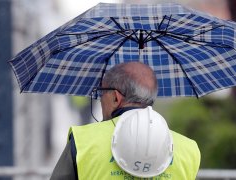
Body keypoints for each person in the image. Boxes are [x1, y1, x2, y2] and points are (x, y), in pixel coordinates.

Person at [50, 62, 201, 180]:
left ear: (116, 97)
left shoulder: (83, 142)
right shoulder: (188, 150)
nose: (100, 100)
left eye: (102, 93)